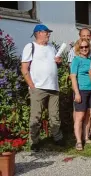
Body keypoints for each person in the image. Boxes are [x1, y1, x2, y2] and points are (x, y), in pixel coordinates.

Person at [21, 24, 64, 152]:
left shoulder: (51, 47)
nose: (49, 34)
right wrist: (32, 87)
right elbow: (24, 69)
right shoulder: (30, 47)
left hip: (53, 87)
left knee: (54, 115)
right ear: (39, 33)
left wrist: (59, 62)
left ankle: (57, 138)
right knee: (36, 116)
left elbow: (57, 64)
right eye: (47, 32)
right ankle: (34, 141)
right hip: (38, 88)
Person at [70, 38, 91, 151]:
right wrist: (76, 93)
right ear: (78, 48)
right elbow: (73, 77)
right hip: (81, 90)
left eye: (86, 47)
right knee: (79, 116)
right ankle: (78, 141)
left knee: (89, 115)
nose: (84, 49)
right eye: (82, 47)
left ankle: (86, 137)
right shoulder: (76, 60)